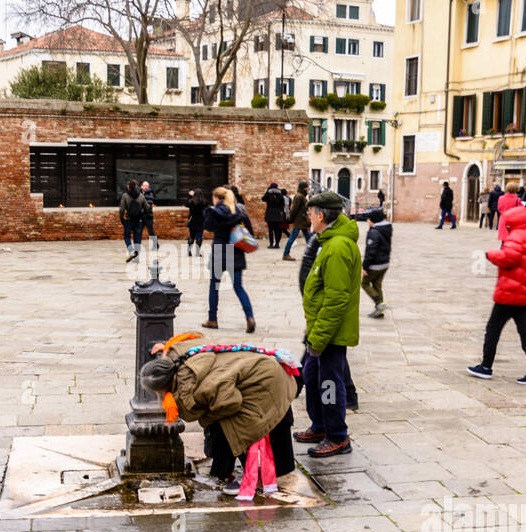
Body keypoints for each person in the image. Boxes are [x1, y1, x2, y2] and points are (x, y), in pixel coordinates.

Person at [141, 335, 298, 496]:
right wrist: (166, 349)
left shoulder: (202, 388)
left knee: (231, 426)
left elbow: (231, 403)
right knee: (218, 420)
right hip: (261, 369)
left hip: (267, 384)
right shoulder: (179, 358)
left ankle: (245, 475)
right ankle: (223, 471)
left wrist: (206, 418)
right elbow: (195, 338)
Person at [294, 191, 361, 458]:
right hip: (320, 329)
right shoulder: (328, 241)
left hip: (331, 333)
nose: (308, 218)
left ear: (321, 216)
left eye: (310, 213)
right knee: (311, 376)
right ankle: (320, 426)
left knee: (329, 384)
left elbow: (336, 299)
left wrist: (319, 338)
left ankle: (337, 436)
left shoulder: (337, 247)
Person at [466, 206, 526, 386]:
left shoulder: (516, 237)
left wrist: (489, 254)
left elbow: (508, 258)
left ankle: (486, 367)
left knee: (493, 329)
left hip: (510, 293)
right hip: (525, 295)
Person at [203, 187, 256, 332]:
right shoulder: (239, 212)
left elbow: (207, 226)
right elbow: (250, 232)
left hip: (220, 250)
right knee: (238, 287)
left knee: (214, 286)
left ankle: (212, 319)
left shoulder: (215, 212)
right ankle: (249, 317)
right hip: (236, 250)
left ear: (216, 198)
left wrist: (211, 210)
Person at [361, 209, 392, 319]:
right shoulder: (385, 229)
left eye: (368, 219)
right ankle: (380, 311)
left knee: (364, 283)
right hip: (385, 263)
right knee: (377, 285)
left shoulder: (374, 232)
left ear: (373, 220)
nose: (367, 221)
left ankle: (379, 304)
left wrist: (365, 267)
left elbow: (371, 251)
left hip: (375, 265)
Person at [119, 179, 147, 263]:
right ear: (136, 187)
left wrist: (121, 219)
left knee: (127, 237)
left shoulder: (125, 196)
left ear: (128, 187)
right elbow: (147, 208)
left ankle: (131, 251)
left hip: (129, 220)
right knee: (137, 239)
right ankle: (137, 257)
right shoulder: (141, 196)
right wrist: (143, 217)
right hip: (138, 220)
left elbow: (122, 209)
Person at [282, 181, 311, 260]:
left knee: (308, 238)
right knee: (292, 237)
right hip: (299, 221)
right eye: (307, 187)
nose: (308, 188)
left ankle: (312, 254)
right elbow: (294, 209)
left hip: (302, 220)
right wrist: (290, 218)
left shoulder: (302, 196)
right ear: (304, 188)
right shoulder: (299, 196)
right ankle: (286, 254)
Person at [262, 183, 287, 249]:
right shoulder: (280, 194)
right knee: (277, 230)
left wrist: (267, 192)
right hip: (277, 214)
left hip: (270, 214)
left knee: (270, 230)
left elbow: (263, 199)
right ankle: (277, 244)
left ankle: (271, 244)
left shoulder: (268, 193)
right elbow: (283, 204)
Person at [185, 189, 205, 256]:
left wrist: (190, 196)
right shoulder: (204, 202)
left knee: (191, 237)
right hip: (201, 222)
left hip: (192, 222)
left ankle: (189, 252)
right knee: (199, 237)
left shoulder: (191, 202)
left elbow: (186, 204)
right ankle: (197, 252)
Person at [140, 180, 159, 250]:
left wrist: (141, 210)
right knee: (139, 231)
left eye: (147, 186)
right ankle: (137, 246)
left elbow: (148, 205)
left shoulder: (150, 194)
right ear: (141, 186)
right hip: (141, 217)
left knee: (151, 231)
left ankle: (155, 245)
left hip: (148, 216)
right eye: (144, 186)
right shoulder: (139, 193)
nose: (146, 187)